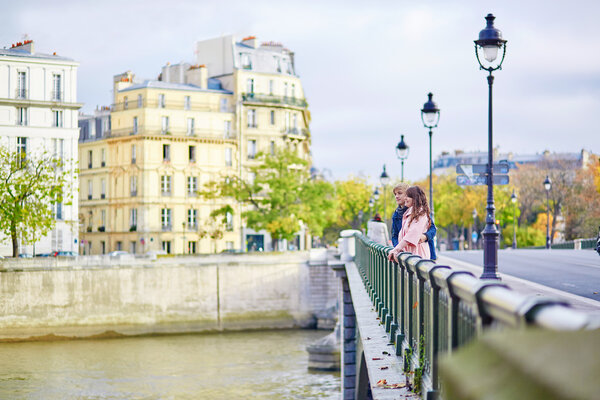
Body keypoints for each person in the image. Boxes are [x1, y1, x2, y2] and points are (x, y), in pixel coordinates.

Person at [390, 183, 437, 260]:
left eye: (400, 193)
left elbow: (432, 228)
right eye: (395, 194)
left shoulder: (419, 211)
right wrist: (398, 249)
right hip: (406, 253)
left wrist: (425, 236)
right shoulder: (396, 215)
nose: (396, 196)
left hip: (420, 251)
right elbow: (395, 235)